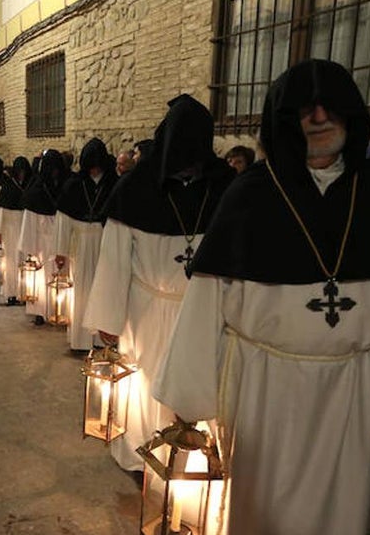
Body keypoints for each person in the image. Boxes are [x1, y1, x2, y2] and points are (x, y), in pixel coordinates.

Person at [153, 60, 370, 535]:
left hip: (347, 390)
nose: (320, 118)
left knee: (335, 517)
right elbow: (207, 303)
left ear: (352, 116)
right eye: (304, 110)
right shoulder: (250, 195)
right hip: (261, 386)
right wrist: (192, 401)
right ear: (282, 121)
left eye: (330, 106)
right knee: (252, 511)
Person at [85, 95, 235, 472]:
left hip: (205, 312)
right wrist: (109, 318)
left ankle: (194, 465)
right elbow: (115, 261)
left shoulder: (226, 187)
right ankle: (142, 454)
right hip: (147, 310)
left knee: (201, 383)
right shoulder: (135, 189)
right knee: (146, 384)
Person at [53, 138, 117, 351]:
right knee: (81, 290)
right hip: (80, 244)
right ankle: (81, 339)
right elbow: (63, 219)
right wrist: (60, 251)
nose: (96, 169)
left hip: (106, 241)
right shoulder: (74, 184)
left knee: (104, 287)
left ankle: (101, 339)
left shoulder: (113, 183)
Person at [18, 150, 67, 325]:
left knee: (61, 276)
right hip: (42, 242)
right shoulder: (36, 190)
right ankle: (40, 311)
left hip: (61, 239)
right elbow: (30, 219)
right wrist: (30, 248)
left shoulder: (65, 185)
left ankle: (60, 311)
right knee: (41, 276)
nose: (55, 172)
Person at [0, 157, 32, 305]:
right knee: (11, 262)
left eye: (24, 171)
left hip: (26, 226)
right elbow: (0, 211)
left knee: (25, 260)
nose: (21, 175)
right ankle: (12, 293)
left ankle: (26, 292)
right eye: (19, 172)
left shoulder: (30, 185)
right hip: (11, 230)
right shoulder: (8, 187)